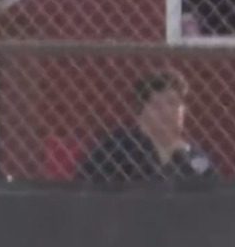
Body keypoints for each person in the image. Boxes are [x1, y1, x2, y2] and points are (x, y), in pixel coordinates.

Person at [78, 69, 215, 184]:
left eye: (173, 103)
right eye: (156, 105)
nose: (166, 112)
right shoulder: (117, 147)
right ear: (140, 111)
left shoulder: (196, 158)